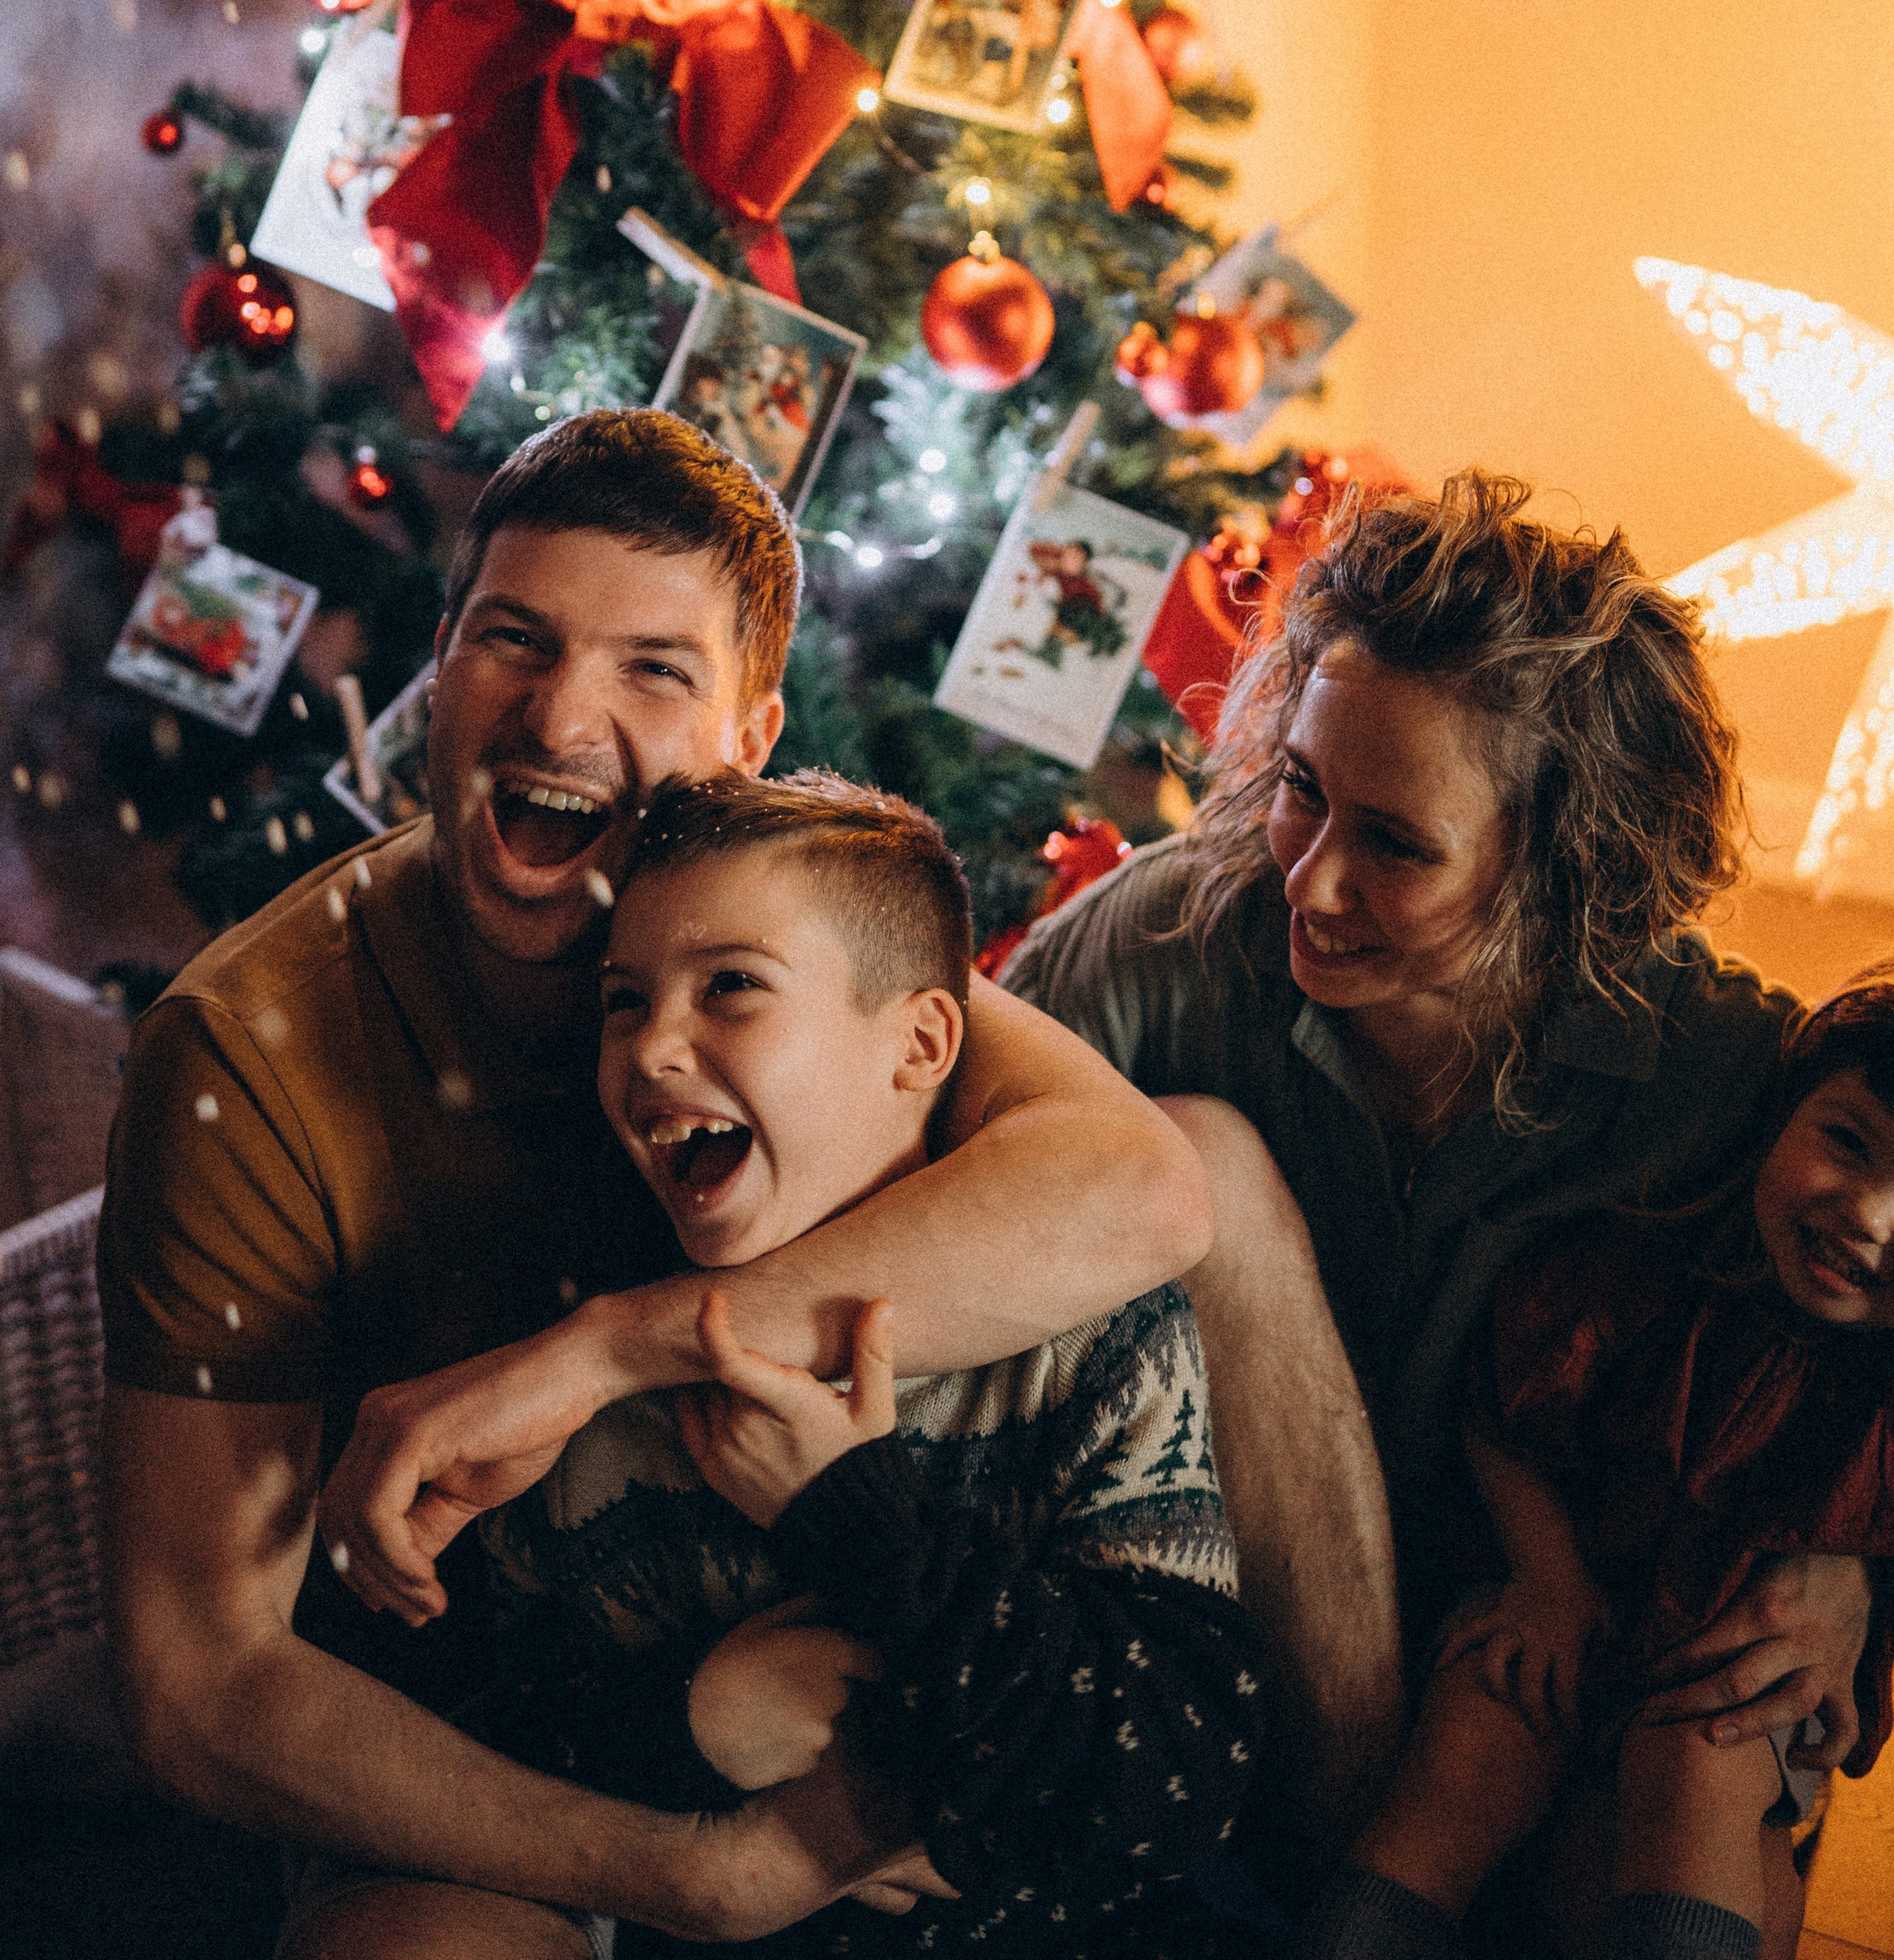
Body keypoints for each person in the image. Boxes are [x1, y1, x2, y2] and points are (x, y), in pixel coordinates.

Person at [98, 410, 1223, 1960]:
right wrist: (691, 1868)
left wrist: (609, 1350)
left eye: (653, 668)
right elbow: (198, 1684)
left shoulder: (803, 927)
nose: (560, 714)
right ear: (443, 656)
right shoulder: (249, 1053)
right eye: (514, 639)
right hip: (498, 1768)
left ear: (749, 740)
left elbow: (1151, 1194)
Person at [1002, 472, 1876, 1849]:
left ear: (1572, 871)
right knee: (1204, 1158)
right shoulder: (1177, 941)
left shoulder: (1719, 1074)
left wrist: (1857, 1577)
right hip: (1225, 1646)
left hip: (1557, 1674)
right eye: (1301, 789)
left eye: (1397, 847)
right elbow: (938, 1156)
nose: (1311, 882)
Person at [482, 769, 1268, 1955]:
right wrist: (705, 1725)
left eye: (732, 988)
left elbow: (1176, 1782)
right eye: (623, 1002)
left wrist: (852, 1518)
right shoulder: (589, 1360)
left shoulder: (1093, 1332)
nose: (652, 1050)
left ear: (920, 1043)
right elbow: (509, 1728)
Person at [1302, 976, 1894, 1960]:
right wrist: (1545, 1576)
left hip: (1728, 1676)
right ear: (1783, 1112)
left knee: (1701, 1765)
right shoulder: (1651, 1275)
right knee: (1474, 1735)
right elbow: (1502, 1415)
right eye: (1845, 1142)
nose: (1868, 1215)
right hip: (1569, 1608)